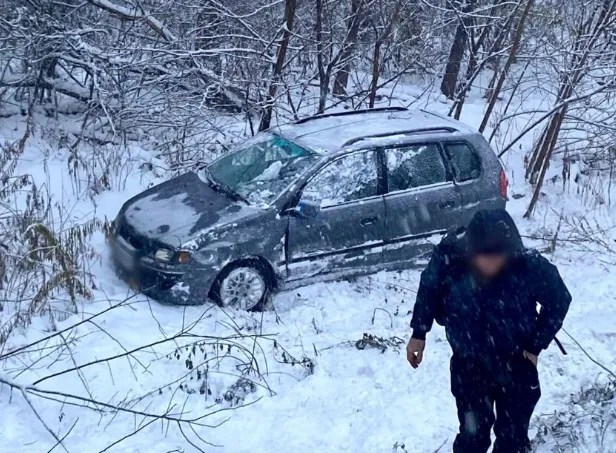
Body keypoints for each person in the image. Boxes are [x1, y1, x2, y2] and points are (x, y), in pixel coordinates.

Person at [407, 209, 571, 453]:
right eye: (484, 256)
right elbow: (429, 289)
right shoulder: (450, 259)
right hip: (469, 365)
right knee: (472, 438)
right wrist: (419, 333)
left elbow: (559, 300)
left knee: (512, 440)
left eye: (498, 256)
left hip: (516, 364)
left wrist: (535, 345)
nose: (491, 263)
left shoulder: (528, 265)